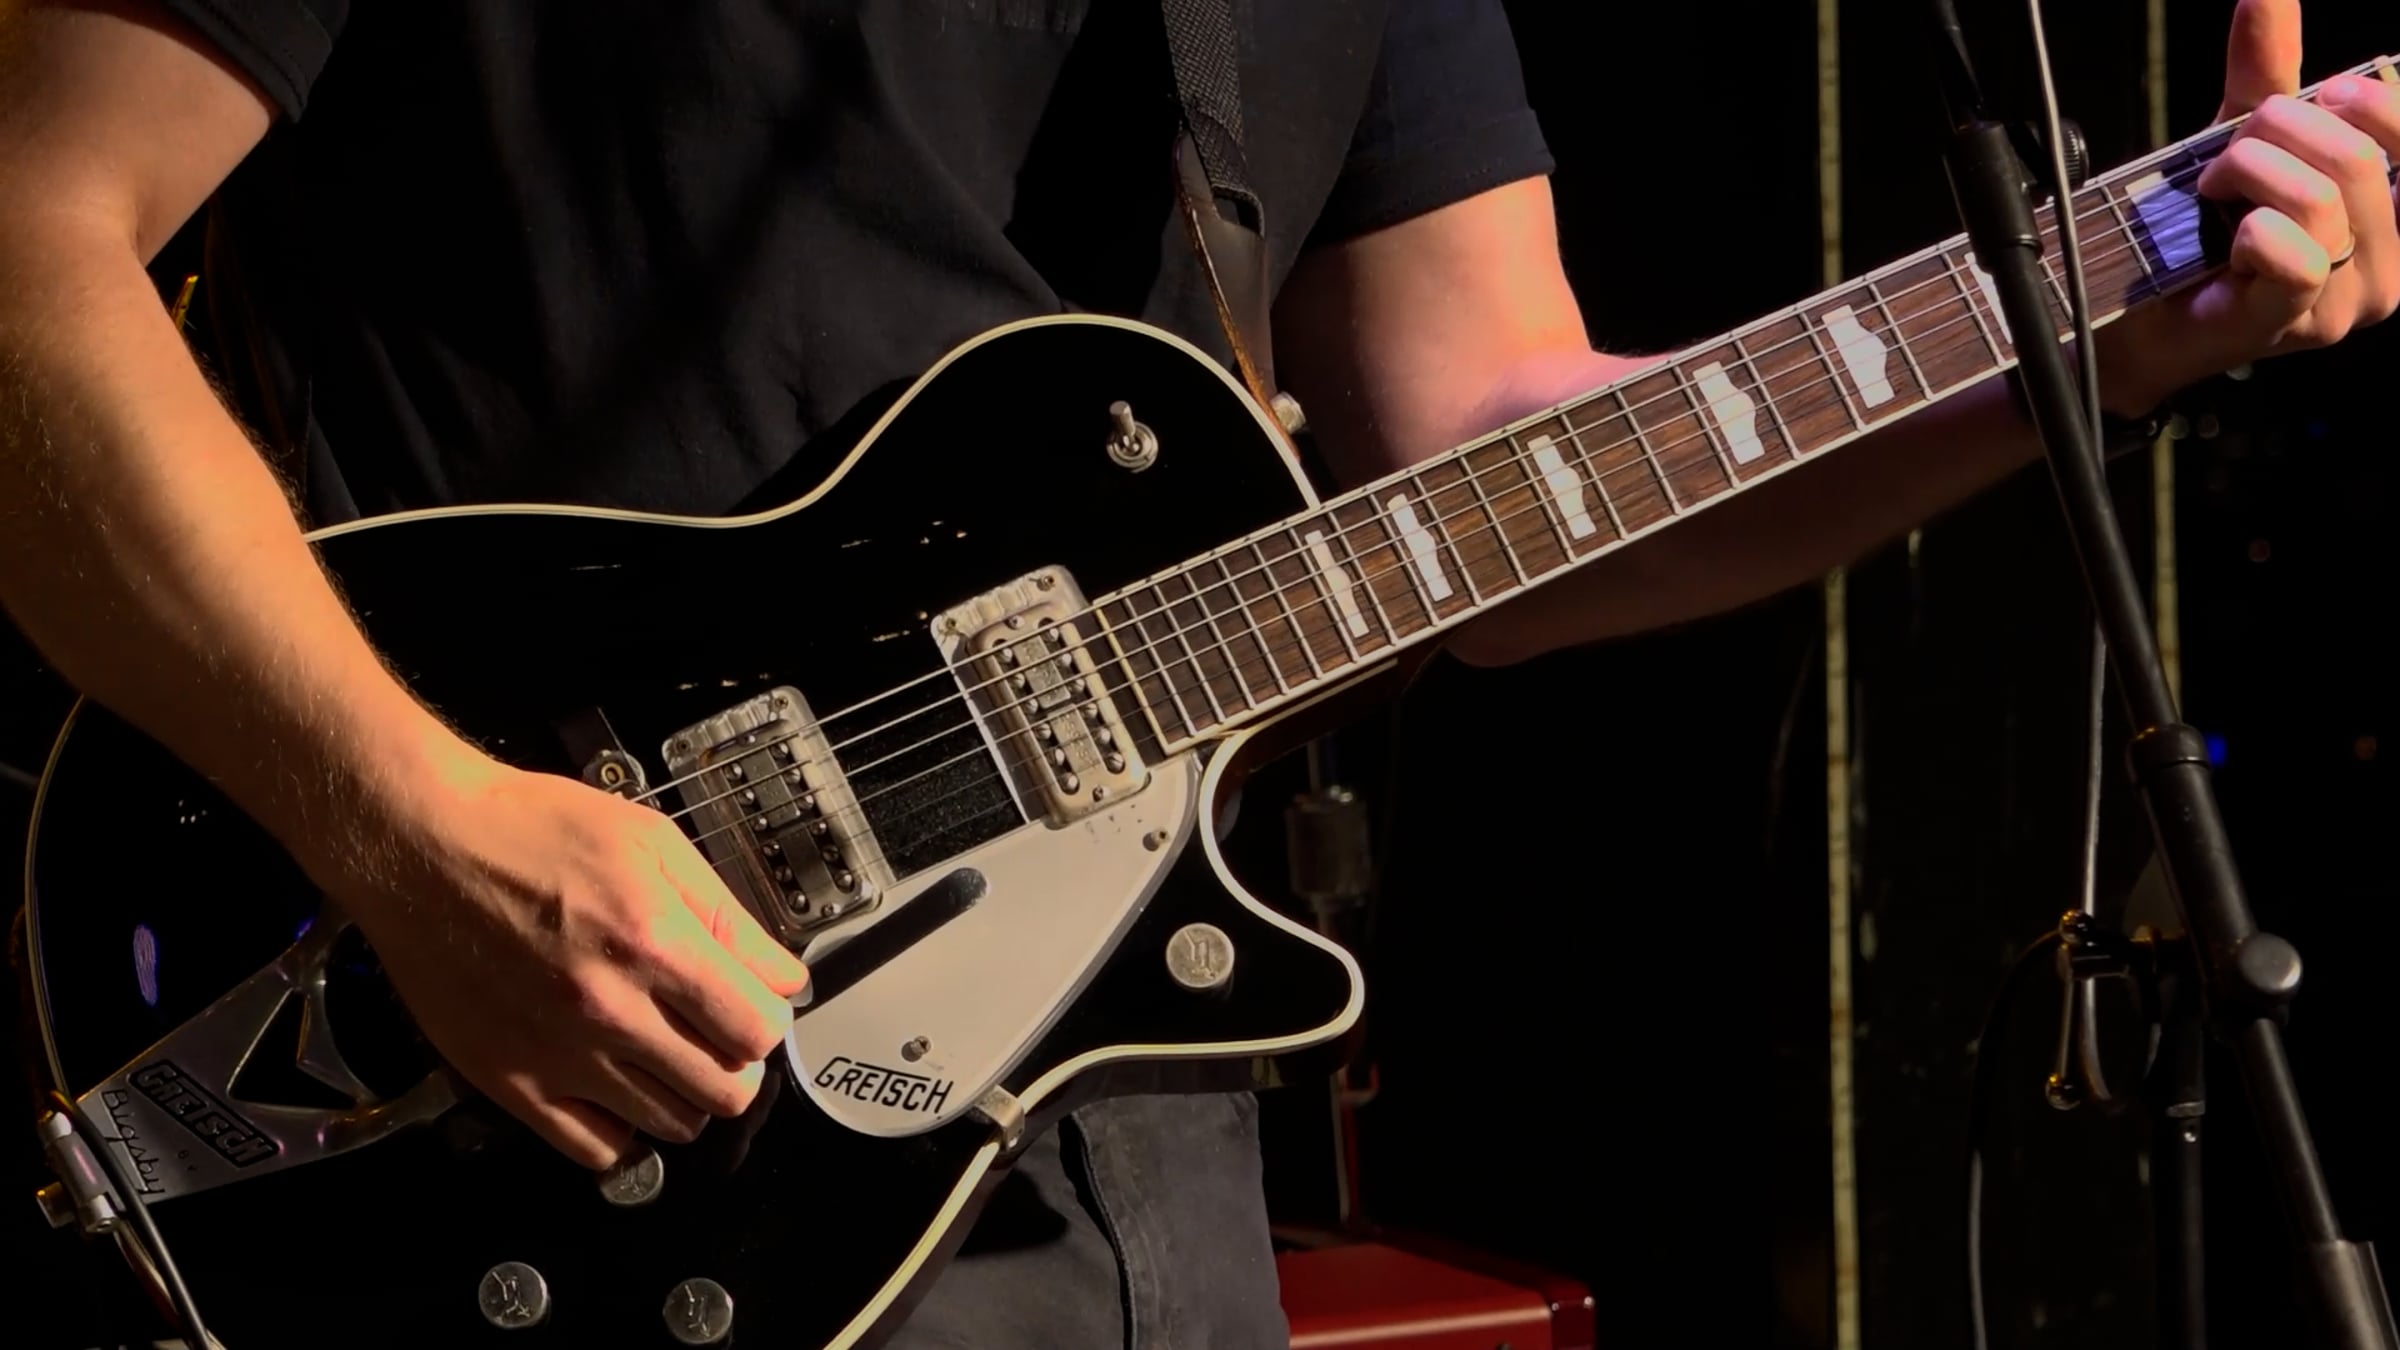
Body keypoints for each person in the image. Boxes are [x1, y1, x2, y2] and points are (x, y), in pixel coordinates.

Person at [0, 0, 2392, 1345]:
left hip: (1108, 1166)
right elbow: (23, 239)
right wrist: (416, 828)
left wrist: (2087, 341)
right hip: (494, 1083)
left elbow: (1479, 462)